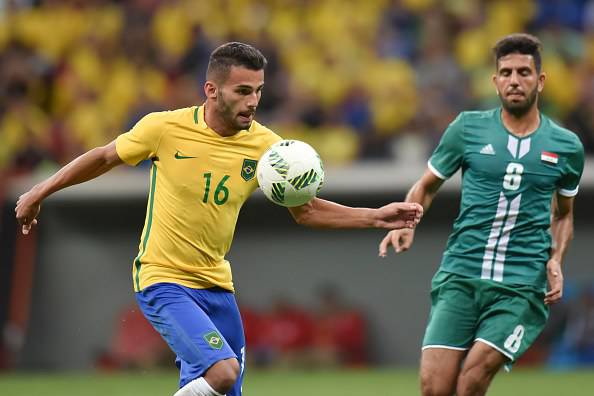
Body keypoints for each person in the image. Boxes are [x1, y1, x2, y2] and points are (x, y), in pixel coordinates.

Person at [15, 42, 423, 396]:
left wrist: (375, 216)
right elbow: (103, 157)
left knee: (221, 390)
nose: (253, 101)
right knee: (223, 373)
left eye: (259, 91)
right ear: (211, 90)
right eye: (242, 91)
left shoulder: (268, 147)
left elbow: (307, 210)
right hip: (165, 280)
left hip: (218, 288)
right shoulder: (165, 128)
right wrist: (39, 192)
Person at [379, 33, 584, 396]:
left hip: (520, 285)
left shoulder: (566, 146)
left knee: (471, 379)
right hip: (461, 273)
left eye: (524, 71)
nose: (514, 80)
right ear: (495, 81)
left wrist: (556, 258)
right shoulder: (467, 128)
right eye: (506, 72)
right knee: (433, 387)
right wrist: (408, 221)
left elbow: (564, 214)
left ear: (541, 80)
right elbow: (426, 186)